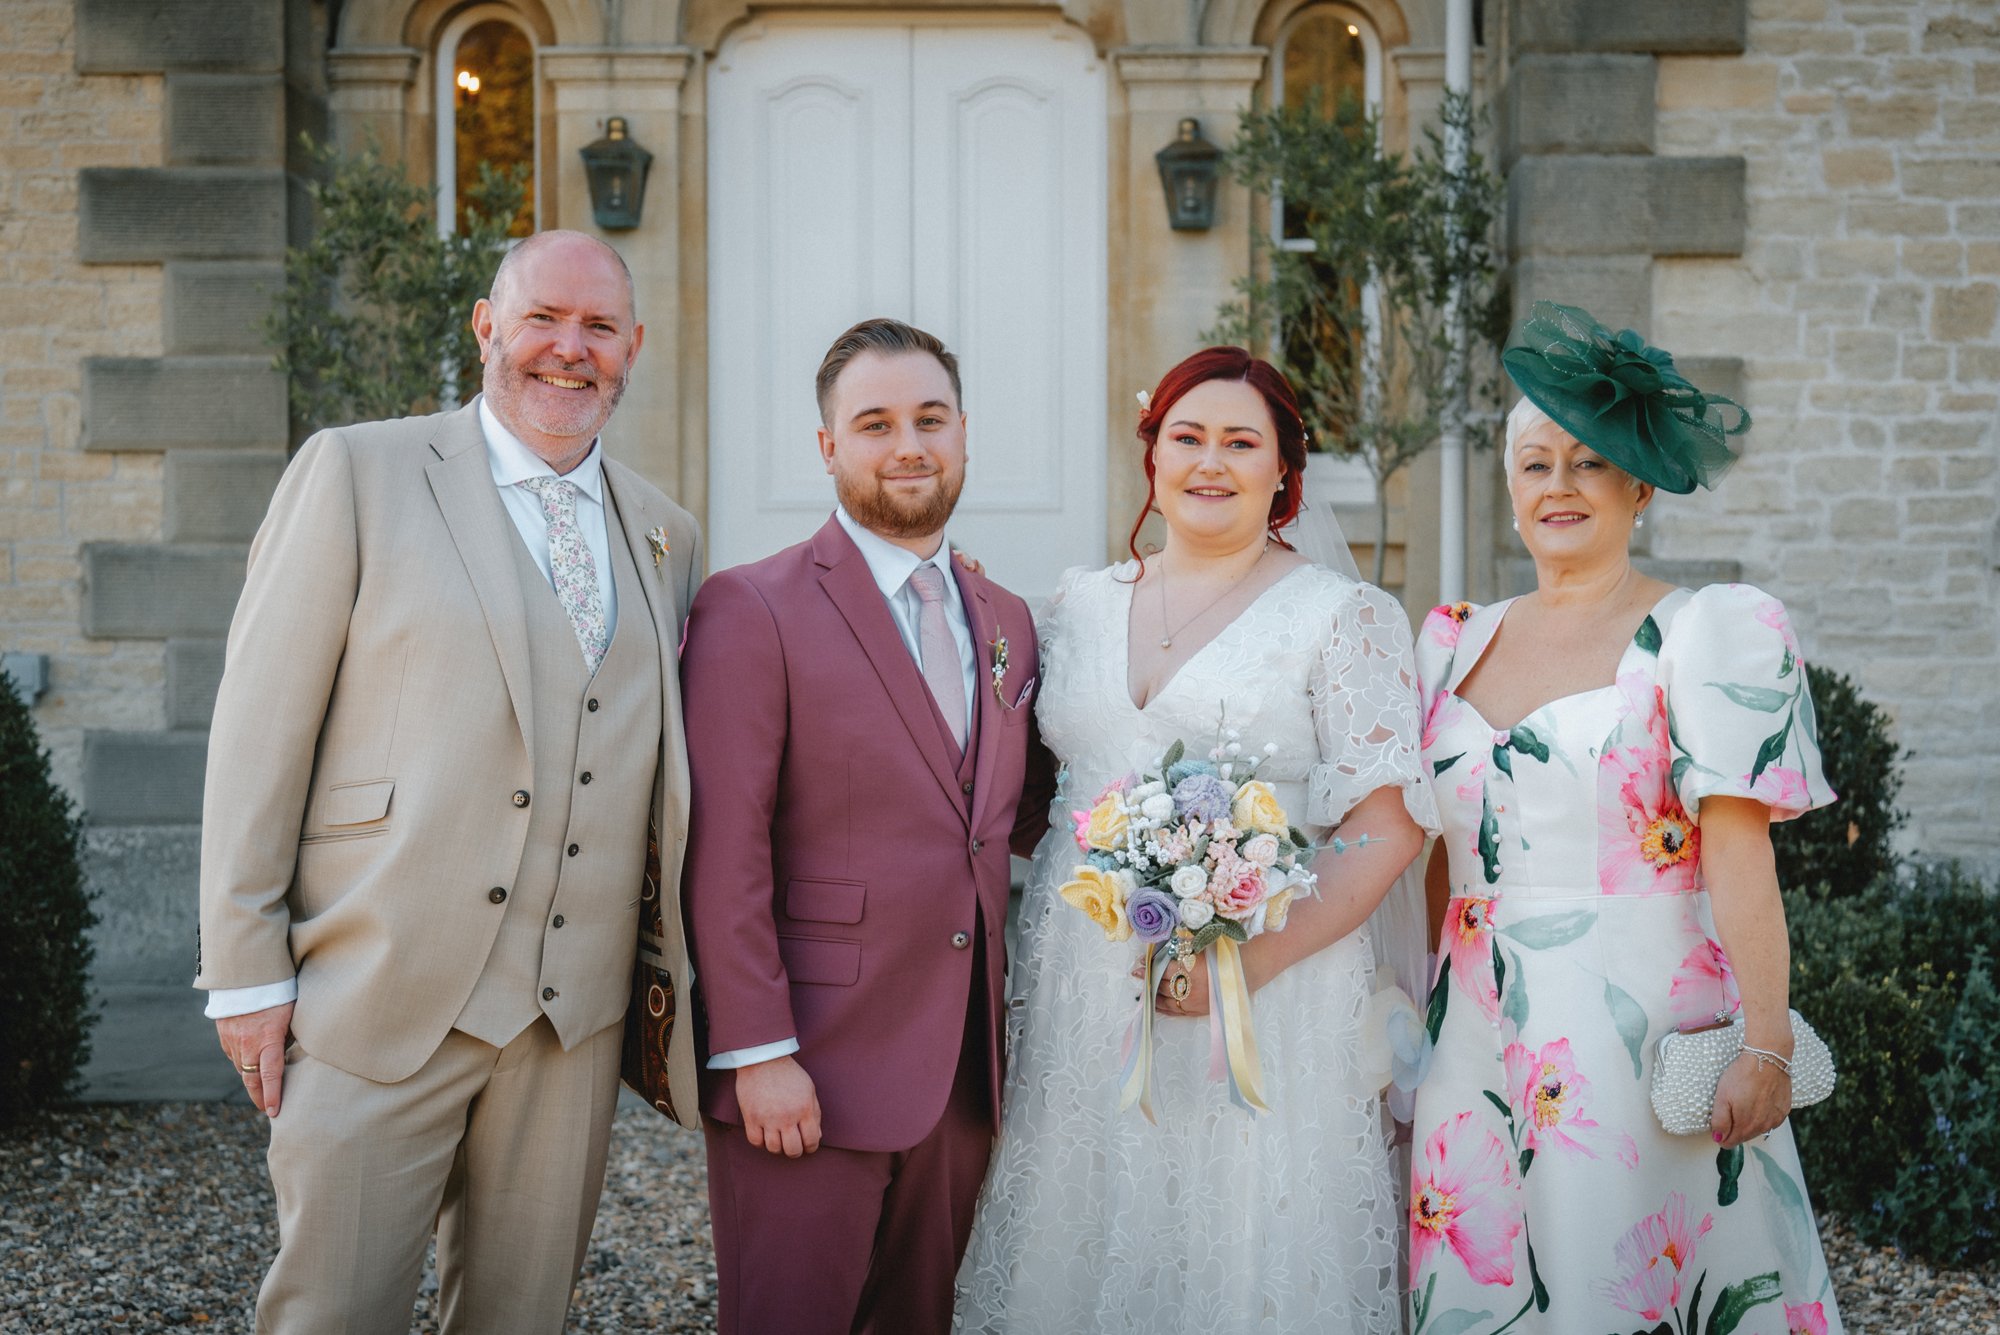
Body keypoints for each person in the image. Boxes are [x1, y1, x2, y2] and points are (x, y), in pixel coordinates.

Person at [195, 230, 704, 1334]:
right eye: (541, 319)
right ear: (486, 327)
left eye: (599, 328)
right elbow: (256, 728)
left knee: (522, 1317)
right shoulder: (357, 472)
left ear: (633, 347)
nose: (568, 350)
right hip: (378, 990)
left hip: (569, 1020)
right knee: (332, 1311)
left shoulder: (667, 533)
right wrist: (245, 968)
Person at [958, 346, 1438, 1334]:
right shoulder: (1077, 608)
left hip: (1264, 997)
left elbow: (1381, 833)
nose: (1209, 463)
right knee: (1085, 1237)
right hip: (1081, 989)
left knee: (1236, 1251)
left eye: (1239, 442)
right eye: (1187, 437)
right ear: (1152, 456)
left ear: (1281, 470)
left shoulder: (1339, 618)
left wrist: (1245, 963)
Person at [1408, 301, 1843, 1332]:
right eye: (1534, 465)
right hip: (1471, 1026)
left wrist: (1766, 1042)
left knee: (1624, 1276)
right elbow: (1439, 857)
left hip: (1637, 1026)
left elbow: (1738, 857)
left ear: (1636, 483)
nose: (1558, 486)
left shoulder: (1701, 633)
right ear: (1509, 488)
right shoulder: (1447, 643)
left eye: (1587, 461)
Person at [679, 317, 1052, 1335]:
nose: (907, 446)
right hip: (810, 1066)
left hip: (960, 1070)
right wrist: (755, 1051)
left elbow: (1009, 816)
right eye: (875, 422)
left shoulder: (1007, 620)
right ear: (827, 446)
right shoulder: (749, 609)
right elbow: (723, 849)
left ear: (964, 433)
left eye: (929, 419)